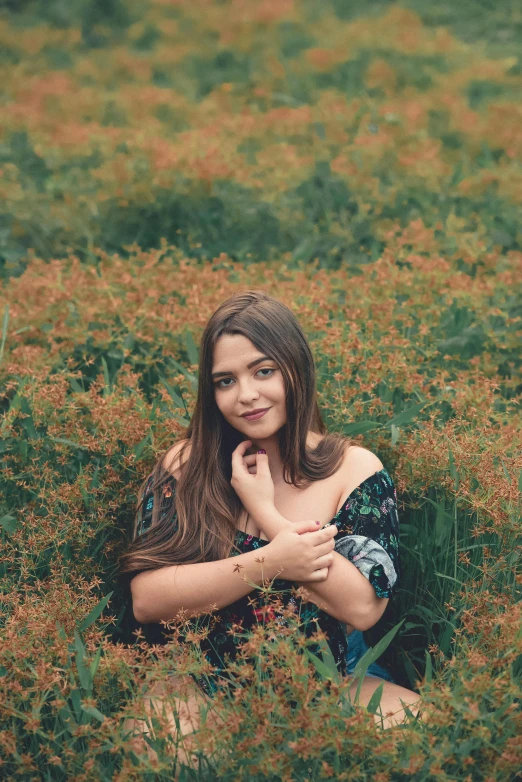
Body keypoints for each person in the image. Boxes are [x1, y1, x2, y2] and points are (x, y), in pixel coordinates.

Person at [119, 290, 420, 770]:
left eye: (263, 371)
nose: (246, 395)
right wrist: (271, 562)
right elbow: (147, 600)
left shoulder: (352, 470)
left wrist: (267, 515)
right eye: (225, 380)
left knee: (440, 740)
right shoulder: (186, 465)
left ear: (295, 369)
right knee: (164, 757)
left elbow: (363, 607)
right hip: (202, 681)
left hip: (333, 678)